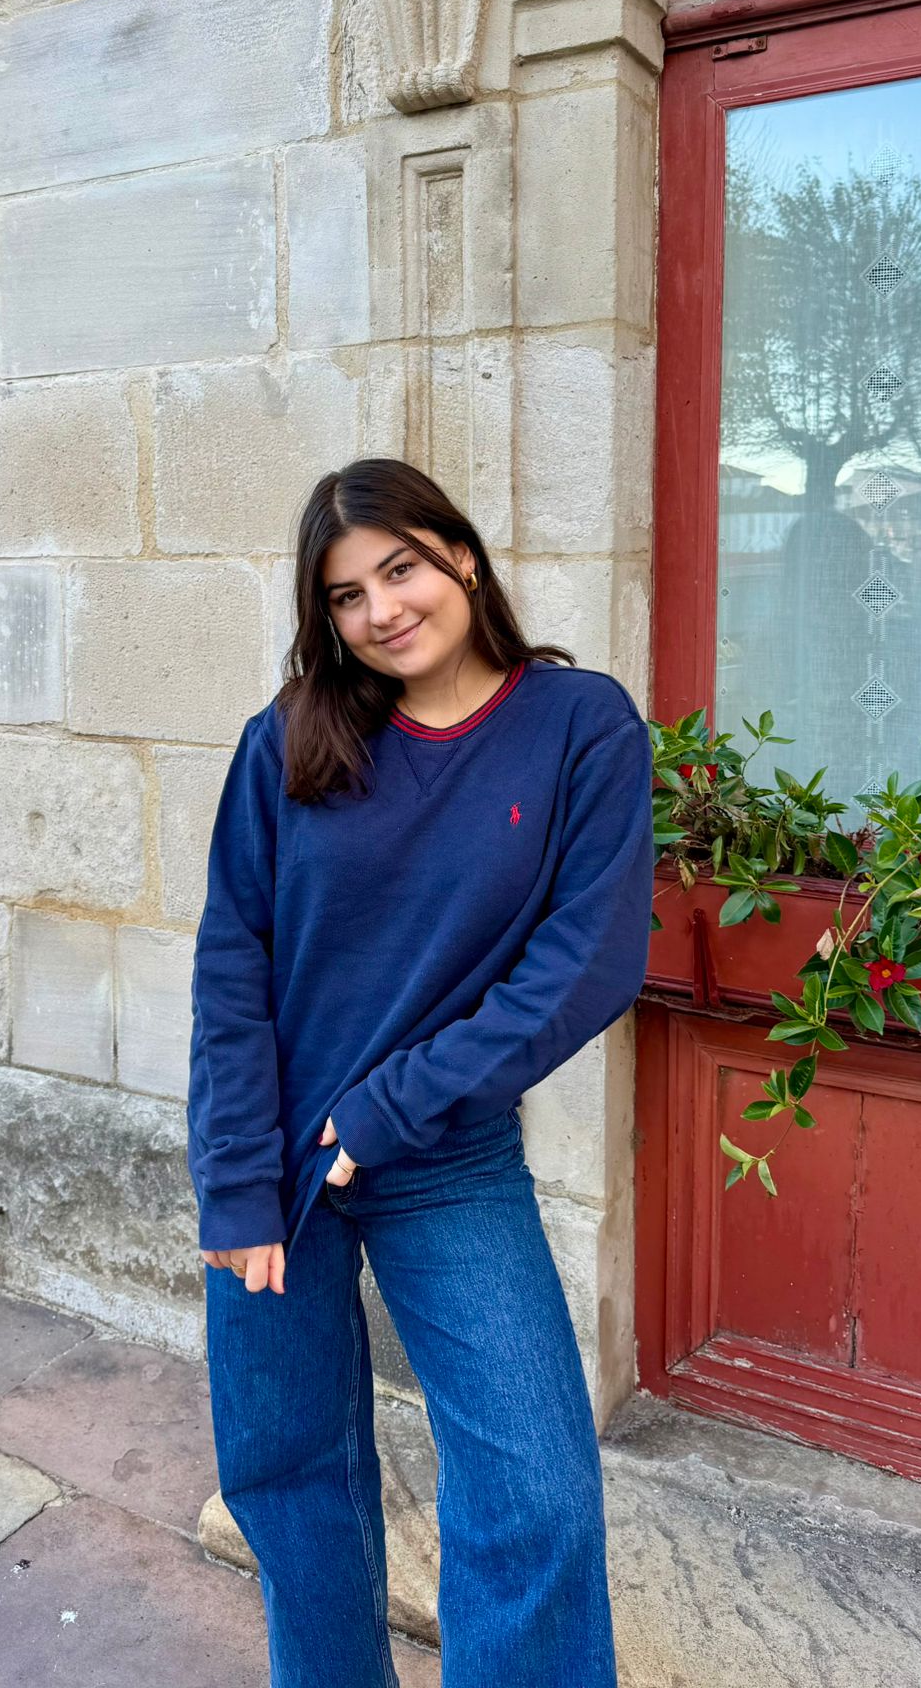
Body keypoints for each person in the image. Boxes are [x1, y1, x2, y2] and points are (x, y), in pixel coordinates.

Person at [186, 457, 654, 1688]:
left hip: (444, 1154)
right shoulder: (292, 736)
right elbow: (233, 960)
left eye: (401, 568)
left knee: (537, 1491)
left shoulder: (579, 725)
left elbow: (587, 965)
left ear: (463, 556)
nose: (382, 609)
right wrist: (234, 1180)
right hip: (276, 1161)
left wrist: (392, 1106)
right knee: (286, 1475)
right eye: (346, 594)